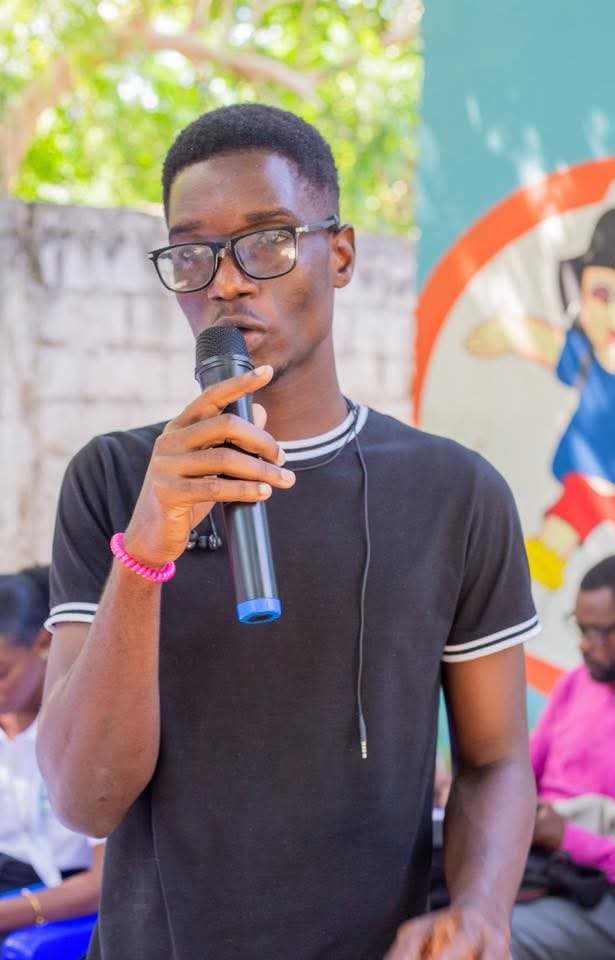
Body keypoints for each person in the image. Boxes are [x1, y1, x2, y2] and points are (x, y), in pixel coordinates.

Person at [36, 103, 539, 960]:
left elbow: (494, 760)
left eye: (265, 241)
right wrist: (145, 551)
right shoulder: (117, 481)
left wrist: (483, 908)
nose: (226, 282)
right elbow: (87, 800)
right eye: (192, 253)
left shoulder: (456, 493)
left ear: (339, 254)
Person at [465, 207, 615, 590]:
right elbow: (547, 343)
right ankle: (524, 594)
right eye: (603, 295)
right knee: (554, 537)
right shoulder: (586, 358)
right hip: (584, 481)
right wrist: (507, 333)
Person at [510, 552, 615, 959]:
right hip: (541, 868)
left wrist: (570, 839)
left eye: (600, 632)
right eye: (580, 628)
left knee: (486, 942)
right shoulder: (577, 684)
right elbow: (518, 775)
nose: (585, 644)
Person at [0, 566, 104, 943]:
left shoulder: (83, 730)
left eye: (1, 672)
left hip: (73, 899)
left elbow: (103, 882)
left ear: (42, 643)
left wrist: (9, 913)